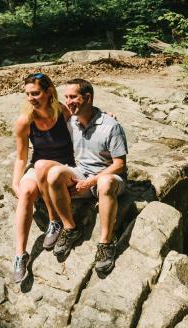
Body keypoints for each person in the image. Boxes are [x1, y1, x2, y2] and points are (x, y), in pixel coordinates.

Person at [46, 78, 128, 276]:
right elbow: (47, 106)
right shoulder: (71, 121)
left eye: (73, 97)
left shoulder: (111, 126)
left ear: (88, 97)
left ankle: (106, 244)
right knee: (54, 174)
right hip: (81, 173)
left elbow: (119, 164)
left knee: (105, 182)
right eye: (66, 97)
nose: (68, 101)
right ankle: (70, 228)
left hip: (110, 177)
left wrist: (90, 181)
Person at [12, 73, 75, 283]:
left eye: (36, 93)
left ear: (48, 92)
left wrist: (108, 116)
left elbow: (87, 119)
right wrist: (15, 182)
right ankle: (20, 255)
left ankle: (54, 221)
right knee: (27, 191)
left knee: (42, 167)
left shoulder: (63, 111)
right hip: (39, 168)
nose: (31, 98)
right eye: (28, 94)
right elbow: (21, 157)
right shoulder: (25, 121)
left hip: (64, 166)